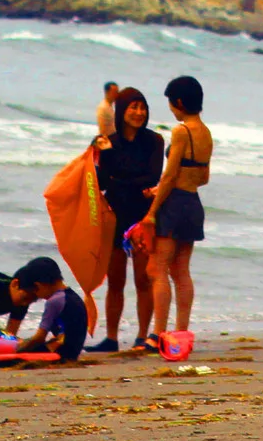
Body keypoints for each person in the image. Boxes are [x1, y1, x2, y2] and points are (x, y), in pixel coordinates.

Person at [88, 87, 164, 353]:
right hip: (115, 214)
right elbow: (102, 179)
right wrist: (105, 155)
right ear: (121, 110)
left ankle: (143, 336)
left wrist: (120, 179)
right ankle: (110, 338)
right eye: (133, 107)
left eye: (142, 107)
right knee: (115, 281)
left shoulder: (155, 141)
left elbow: (153, 178)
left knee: (143, 280)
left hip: (143, 218)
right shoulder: (107, 141)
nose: (139, 113)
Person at [141, 74, 212, 346]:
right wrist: (171, 185)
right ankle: (182, 333)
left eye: (171, 103)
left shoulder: (181, 132)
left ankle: (157, 333)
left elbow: (169, 176)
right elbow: (203, 177)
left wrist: (152, 210)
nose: (171, 108)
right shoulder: (205, 133)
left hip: (174, 203)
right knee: (181, 271)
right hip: (193, 203)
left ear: (179, 102)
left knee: (158, 269)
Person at [14, 261, 90, 363]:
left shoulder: (54, 301)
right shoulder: (73, 296)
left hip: (60, 353)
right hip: (73, 352)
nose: (39, 297)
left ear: (39, 286)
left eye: (36, 293)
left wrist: (17, 350)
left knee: (18, 353)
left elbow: (39, 338)